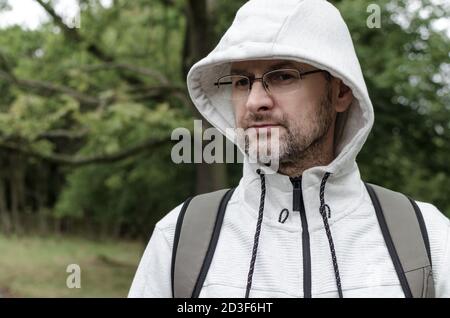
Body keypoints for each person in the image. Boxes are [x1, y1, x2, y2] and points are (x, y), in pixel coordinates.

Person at [128, 0, 450, 297]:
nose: (255, 102)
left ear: (340, 91)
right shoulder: (179, 241)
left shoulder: (428, 243)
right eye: (241, 82)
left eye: (282, 76)